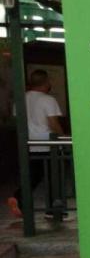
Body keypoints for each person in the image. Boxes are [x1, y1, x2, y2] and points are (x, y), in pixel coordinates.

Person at [7, 70, 64, 219]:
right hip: (48, 144)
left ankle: (18, 198)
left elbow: (18, 121)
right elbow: (53, 123)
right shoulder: (48, 100)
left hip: (29, 144)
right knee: (54, 178)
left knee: (32, 176)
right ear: (46, 82)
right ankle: (53, 209)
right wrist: (63, 138)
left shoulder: (20, 99)